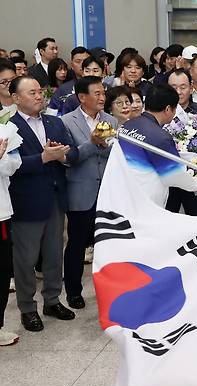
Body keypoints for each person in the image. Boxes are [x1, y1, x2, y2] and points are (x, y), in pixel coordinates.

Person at [9, 75, 79, 332]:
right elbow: (10, 166)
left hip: (55, 198)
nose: (39, 96)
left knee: (53, 254)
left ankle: (52, 300)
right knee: (25, 260)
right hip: (26, 201)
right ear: (16, 98)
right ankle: (27, 308)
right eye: (32, 93)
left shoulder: (54, 121)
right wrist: (43, 157)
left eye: (40, 91)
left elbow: (72, 151)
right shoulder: (9, 127)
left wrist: (64, 156)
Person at [61, 76, 116, 310]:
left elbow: (116, 154)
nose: (102, 97)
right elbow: (68, 157)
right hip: (81, 190)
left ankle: (109, 289)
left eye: (103, 93)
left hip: (108, 191)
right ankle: (73, 290)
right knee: (77, 244)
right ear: (82, 97)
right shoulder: (66, 122)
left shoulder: (112, 120)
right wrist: (92, 143)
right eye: (97, 93)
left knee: (108, 242)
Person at [118, 83, 197, 208]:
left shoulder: (126, 126)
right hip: (145, 201)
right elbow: (172, 175)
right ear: (167, 109)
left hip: (123, 193)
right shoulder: (160, 137)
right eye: (175, 108)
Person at [165, 69, 197, 217]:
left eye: (183, 87)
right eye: (173, 87)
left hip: (194, 176)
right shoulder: (160, 113)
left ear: (191, 87)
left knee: (196, 218)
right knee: (168, 218)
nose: (178, 92)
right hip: (168, 177)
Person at [0, 112, 21, 345]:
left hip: (1, 213)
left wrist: (2, 157)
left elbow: (13, 166)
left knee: (3, 270)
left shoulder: (5, 130)